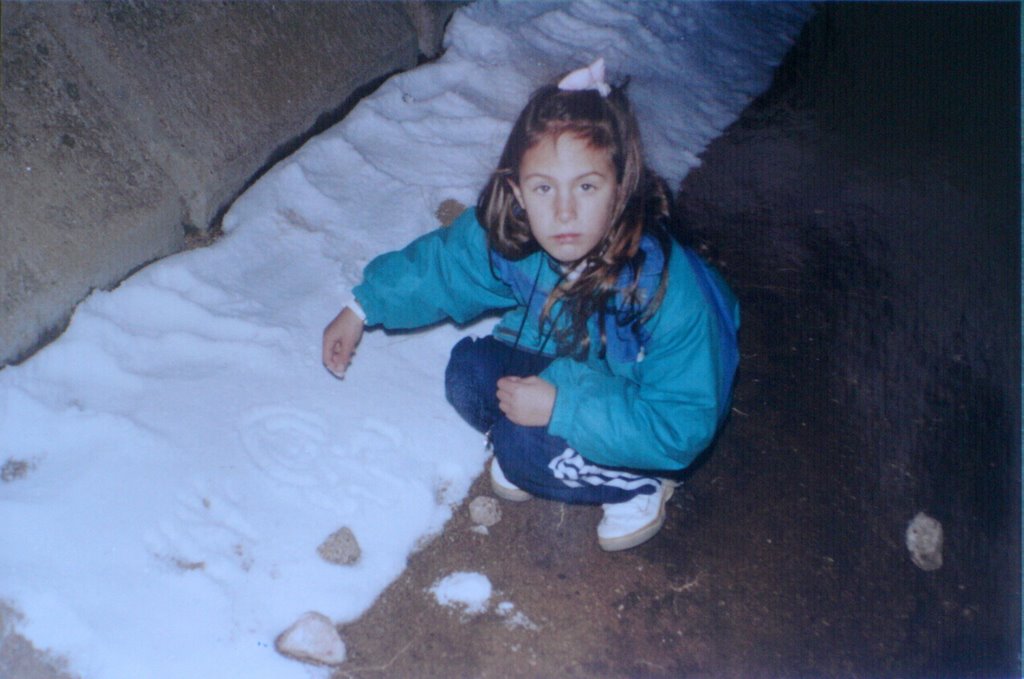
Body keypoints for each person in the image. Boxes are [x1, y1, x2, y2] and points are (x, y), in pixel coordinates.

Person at [322, 58, 739, 551]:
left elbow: (681, 424)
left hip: (644, 410)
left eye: (586, 187)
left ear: (621, 187)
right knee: (470, 374)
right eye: (544, 188)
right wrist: (363, 306)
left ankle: (638, 484)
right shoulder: (521, 232)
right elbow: (446, 266)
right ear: (518, 191)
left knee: (522, 449)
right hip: (574, 359)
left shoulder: (662, 290)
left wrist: (561, 409)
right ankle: (543, 445)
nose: (564, 212)